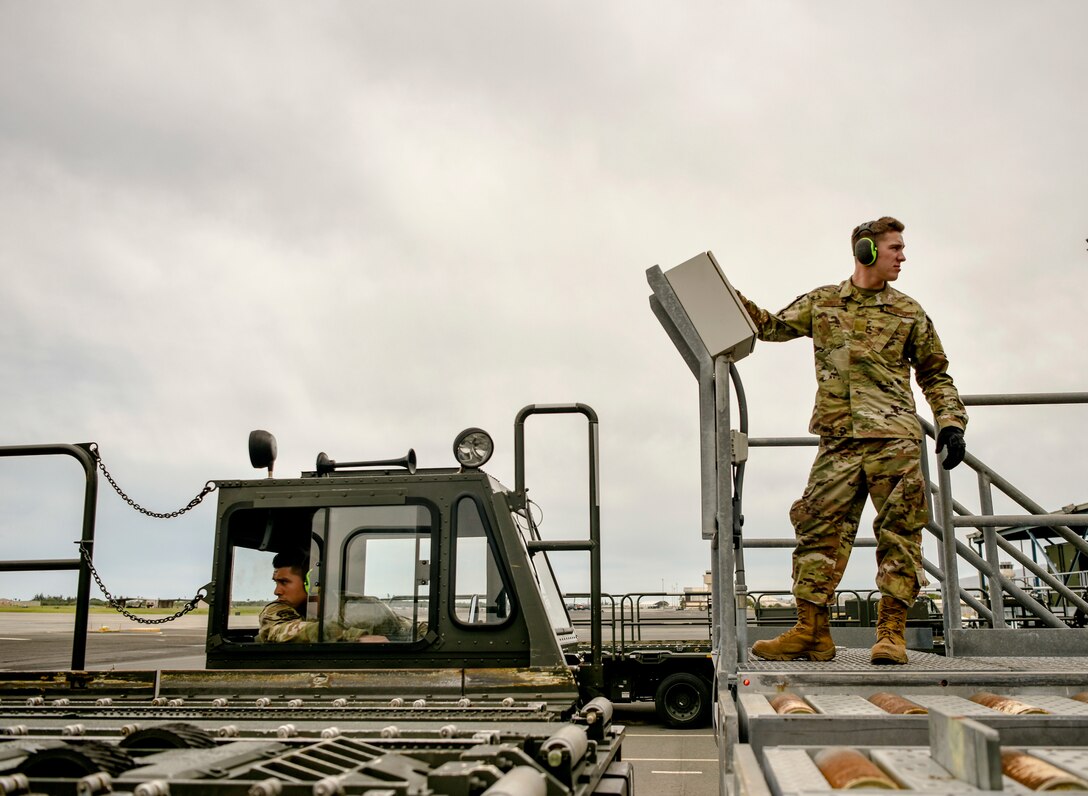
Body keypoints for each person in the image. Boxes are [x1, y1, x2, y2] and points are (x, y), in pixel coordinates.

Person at [737, 216, 967, 665]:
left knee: (900, 534)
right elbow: (769, 327)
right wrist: (724, 295)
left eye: (902, 248)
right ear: (865, 250)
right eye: (895, 248)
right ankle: (811, 633)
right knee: (815, 527)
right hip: (839, 441)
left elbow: (935, 373)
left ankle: (891, 635)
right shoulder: (822, 303)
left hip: (894, 442)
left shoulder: (908, 311)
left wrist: (951, 422)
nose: (903, 256)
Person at [258, 549, 420, 643]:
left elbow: (406, 629)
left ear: (312, 581)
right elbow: (280, 632)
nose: (277, 591)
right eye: (276, 583)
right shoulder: (276, 610)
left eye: (284, 582)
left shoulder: (361, 606)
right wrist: (357, 638)